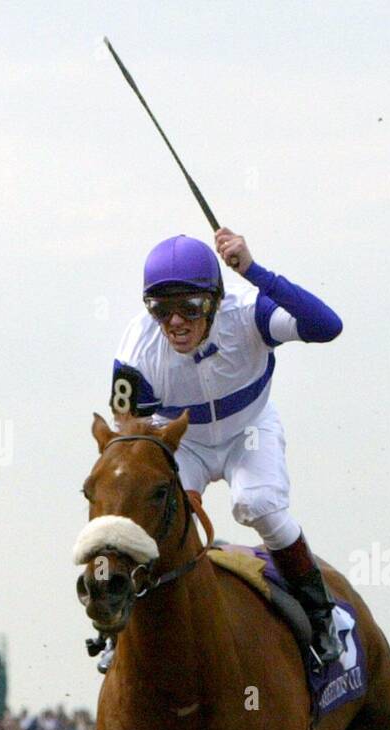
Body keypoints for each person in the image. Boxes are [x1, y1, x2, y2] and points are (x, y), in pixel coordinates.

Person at [105, 227, 344, 668]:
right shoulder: (138, 349)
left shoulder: (249, 312)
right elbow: (129, 437)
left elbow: (327, 326)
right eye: (161, 308)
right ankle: (118, 627)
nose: (175, 322)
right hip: (183, 439)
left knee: (261, 505)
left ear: (215, 299)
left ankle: (322, 616)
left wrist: (254, 271)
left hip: (248, 430)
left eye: (190, 306)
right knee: (142, 510)